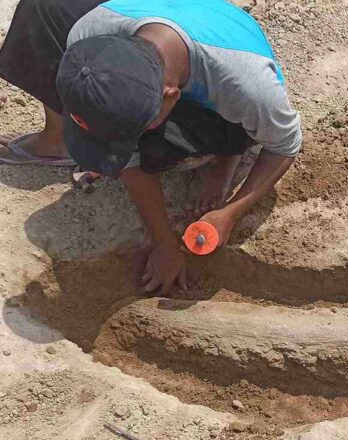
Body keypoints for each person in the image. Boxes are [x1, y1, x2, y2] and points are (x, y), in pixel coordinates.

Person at [0, 0, 302, 295]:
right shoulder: (90, 41)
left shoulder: (246, 85)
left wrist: (230, 212)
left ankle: (227, 156)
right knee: (43, 8)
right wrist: (165, 245)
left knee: (157, 150)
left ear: (170, 97)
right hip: (173, 21)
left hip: (223, 79)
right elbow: (125, 155)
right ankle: (57, 142)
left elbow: (285, 144)